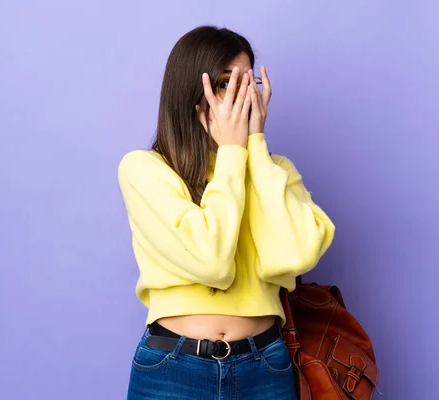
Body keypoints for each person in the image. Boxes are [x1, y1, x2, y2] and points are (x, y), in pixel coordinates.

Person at [118, 25, 335, 400]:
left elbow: (296, 256)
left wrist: (254, 148)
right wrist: (233, 154)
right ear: (192, 93)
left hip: (265, 366)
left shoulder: (274, 168)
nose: (238, 97)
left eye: (247, 84)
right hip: (173, 368)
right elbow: (211, 262)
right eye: (224, 84)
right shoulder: (146, 168)